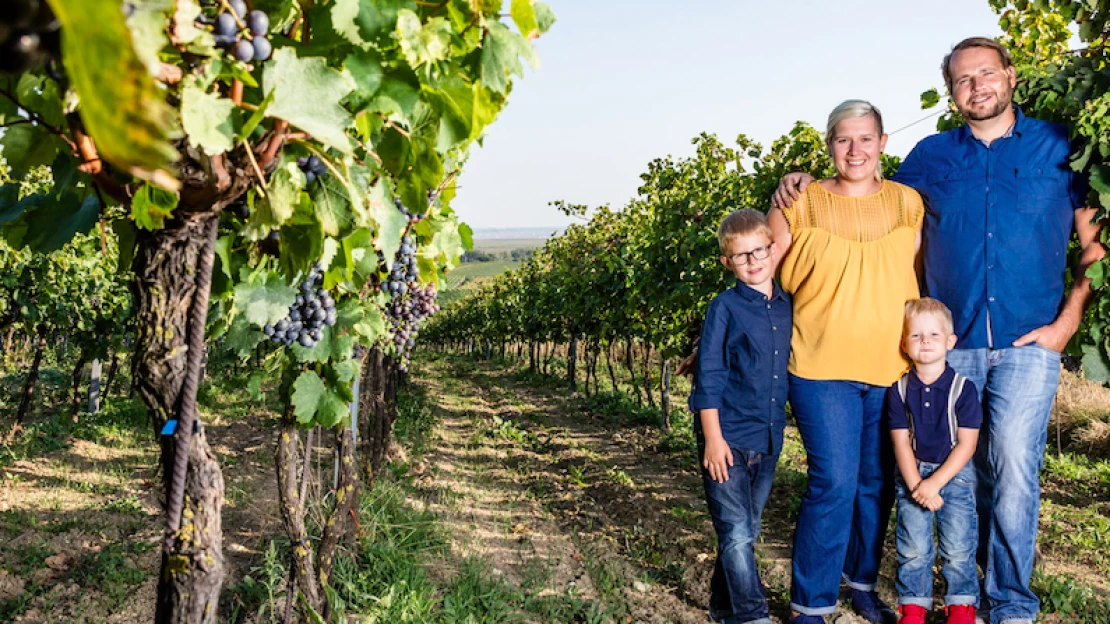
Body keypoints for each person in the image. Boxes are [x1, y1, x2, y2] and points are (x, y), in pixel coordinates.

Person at [773, 37, 1105, 624]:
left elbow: (1095, 245)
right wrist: (799, 182)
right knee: (954, 478)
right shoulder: (928, 157)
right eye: (962, 79)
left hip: (1030, 345)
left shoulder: (1059, 148)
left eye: (986, 73)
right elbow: (864, 188)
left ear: (1009, 75)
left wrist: (1067, 321)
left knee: (1014, 478)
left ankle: (1010, 604)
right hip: (947, 349)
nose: (977, 86)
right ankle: (959, 597)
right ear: (952, 92)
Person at [767, 99, 924, 624]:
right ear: (829, 145)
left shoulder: (908, 204)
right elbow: (763, 282)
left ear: (882, 142)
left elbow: (917, 279)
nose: (854, 150)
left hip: (893, 367)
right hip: (819, 367)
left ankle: (860, 584)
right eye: (842, 139)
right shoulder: (798, 203)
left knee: (875, 482)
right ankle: (809, 604)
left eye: (865, 138)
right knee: (833, 481)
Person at [688, 208, 791, 624]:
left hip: (767, 438)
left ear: (772, 248)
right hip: (726, 436)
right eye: (742, 256)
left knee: (745, 529)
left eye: (759, 251)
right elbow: (708, 376)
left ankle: (723, 607)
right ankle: (752, 615)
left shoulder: (787, 305)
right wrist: (713, 439)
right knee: (737, 532)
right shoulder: (724, 308)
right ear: (727, 263)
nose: (754, 261)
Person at [886, 298, 981, 624]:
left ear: (950, 341)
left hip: (954, 475)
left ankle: (962, 605)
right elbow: (900, 441)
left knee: (958, 545)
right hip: (912, 475)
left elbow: (967, 444)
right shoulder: (898, 389)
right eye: (916, 335)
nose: (925, 341)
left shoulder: (963, 389)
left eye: (933, 335)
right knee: (913, 546)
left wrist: (935, 483)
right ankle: (913, 606)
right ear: (903, 343)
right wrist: (916, 485)